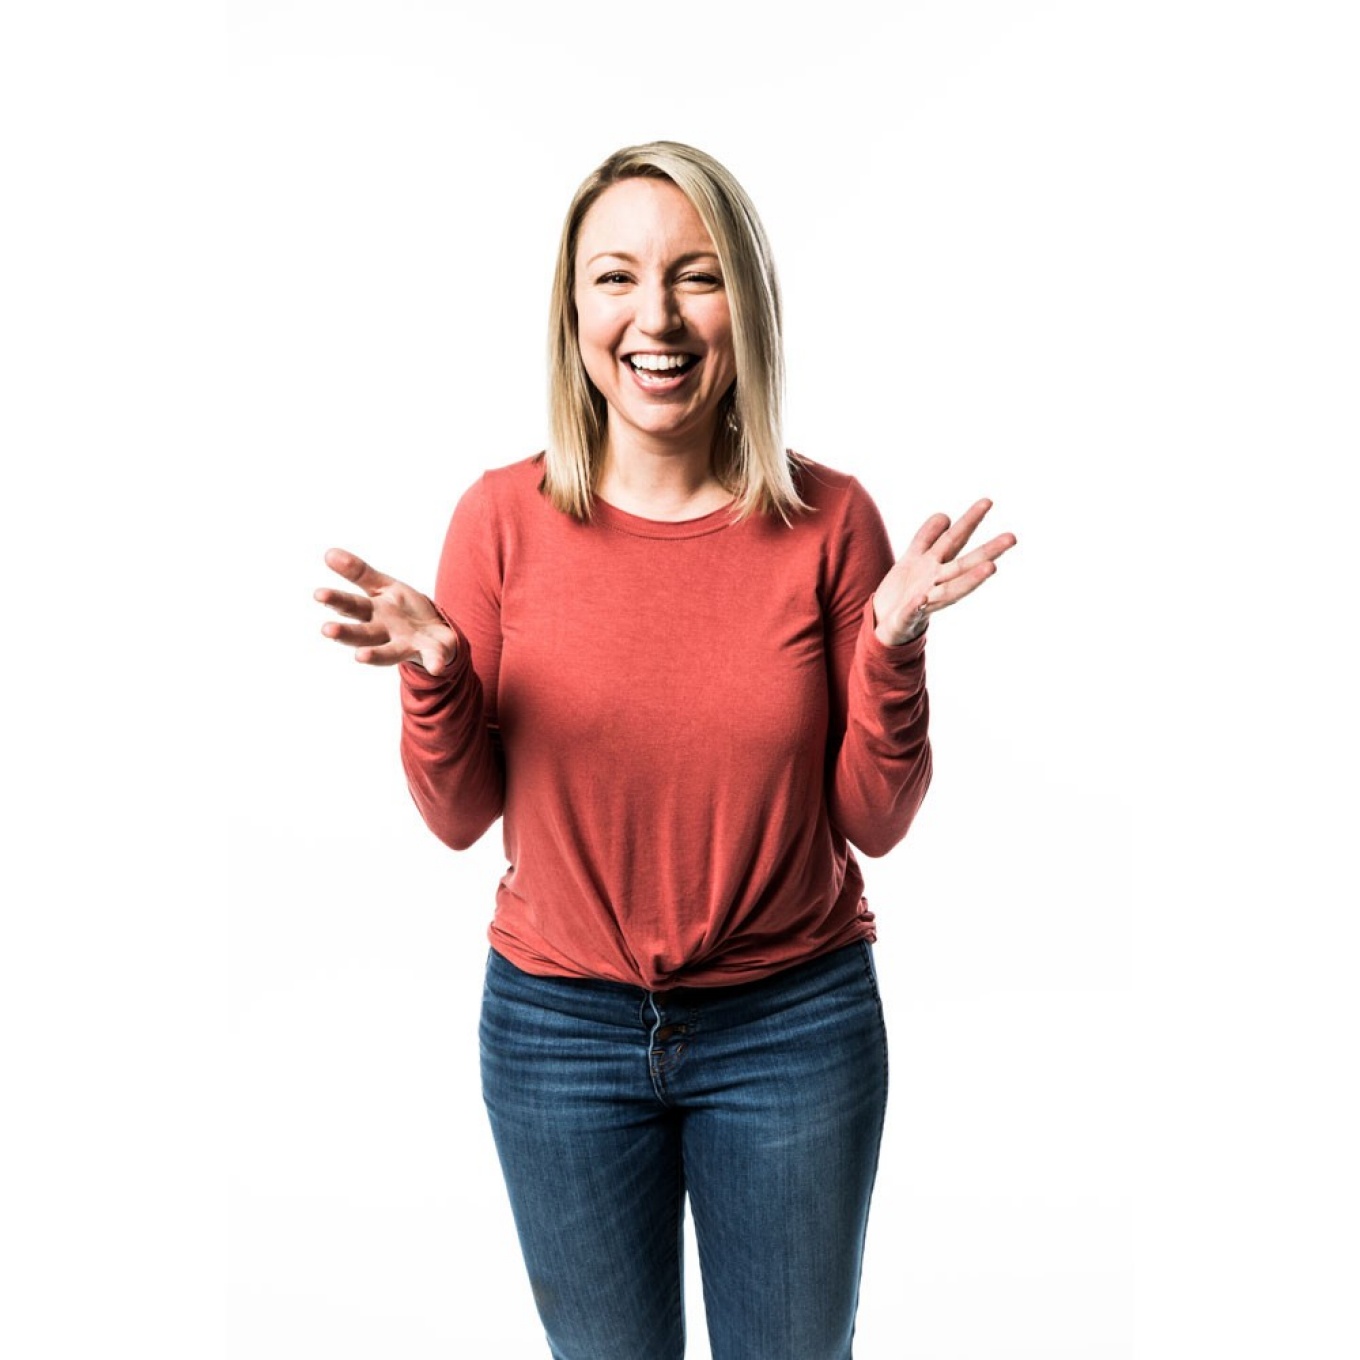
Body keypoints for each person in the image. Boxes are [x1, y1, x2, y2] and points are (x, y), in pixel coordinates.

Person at [316, 141, 1015, 1360]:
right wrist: (436, 678)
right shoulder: (499, 520)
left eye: (696, 276)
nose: (658, 318)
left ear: (745, 303)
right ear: (572, 310)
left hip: (792, 1028)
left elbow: (874, 819)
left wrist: (891, 648)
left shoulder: (830, 522)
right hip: (558, 1033)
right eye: (616, 277)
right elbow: (458, 817)